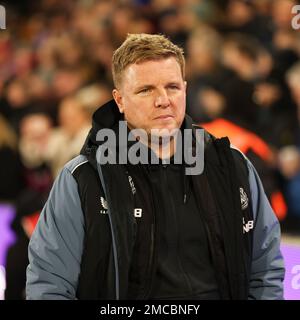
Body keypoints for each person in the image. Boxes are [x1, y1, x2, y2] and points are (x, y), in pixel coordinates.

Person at [26, 33, 285, 300]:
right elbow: (49, 283)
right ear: (120, 100)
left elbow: (265, 270)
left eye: (172, 87)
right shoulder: (83, 178)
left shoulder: (231, 164)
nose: (163, 100)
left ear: (185, 89)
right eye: (146, 90)